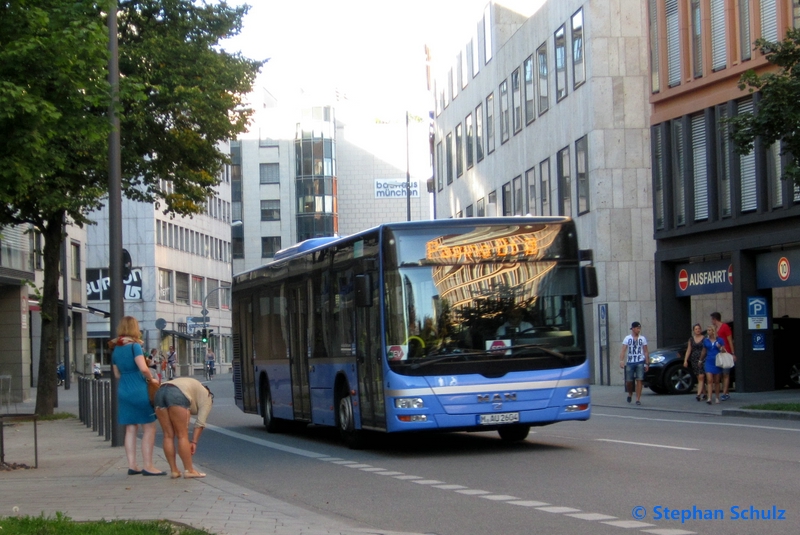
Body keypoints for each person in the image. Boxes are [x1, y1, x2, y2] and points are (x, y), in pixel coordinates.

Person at [110, 316, 165, 476]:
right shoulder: (135, 347)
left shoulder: (115, 349)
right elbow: (143, 368)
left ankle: (132, 465)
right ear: (134, 328)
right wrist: (151, 379)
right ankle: (148, 465)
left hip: (124, 390)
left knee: (130, 428)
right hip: (139, 389)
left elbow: (116, 373)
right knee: (149, 427)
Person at [153, 377, 214, 479]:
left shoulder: (195, 386)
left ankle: (174, 470)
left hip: (160, 392)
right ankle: (189, 470)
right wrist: (194, 442)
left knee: (168, 435)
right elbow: (200, 423)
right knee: (182, 436)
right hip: (178, 394)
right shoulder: (207, 398)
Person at [619, 321, 649, 405]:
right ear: (633, 329)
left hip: (640, 361)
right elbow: (623, 350)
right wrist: (621, 360)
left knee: (639, 379)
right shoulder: (627, 338)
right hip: (630, 362)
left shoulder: (642, 339)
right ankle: (630, 393)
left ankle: (637, 399)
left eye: (639, 328)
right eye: (637, 328)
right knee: (629, 381)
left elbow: (646, 351)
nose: (638, 330)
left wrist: (647, 363)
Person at [710, 312, 735, 400]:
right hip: (718, 353)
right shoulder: (715, 328)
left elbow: (730, 340)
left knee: (726, 373)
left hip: (726, 352)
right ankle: (726, 392)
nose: (711, 321)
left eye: (712, 319)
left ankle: (725, 393)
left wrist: (732, 353)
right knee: (719, 374)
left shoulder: (725, 327)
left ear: (715, 319)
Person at [683, 323, 707, 401]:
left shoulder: (705, 338)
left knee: (701, 376)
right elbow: (689, 350)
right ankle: (705, 394)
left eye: (699, 328)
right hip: (694, 359)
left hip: (703, 358)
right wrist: (685, 360)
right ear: (694, 330)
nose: (698, 330)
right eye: (696, 329)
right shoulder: (691, 339)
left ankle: (698, 394)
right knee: (699, 377)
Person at [703, 324, 726, 405]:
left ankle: (717, 397)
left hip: (717, 361)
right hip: (709, 361)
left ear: (713, 331)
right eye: (707, 330)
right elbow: (704, 351)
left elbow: (724, 351)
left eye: (709, 330)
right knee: (709, 380)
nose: (708, 332)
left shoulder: (720, 340)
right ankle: (709, 398)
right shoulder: (706, 341)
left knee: (717, 381)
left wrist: (720, 347)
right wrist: (700, 360)